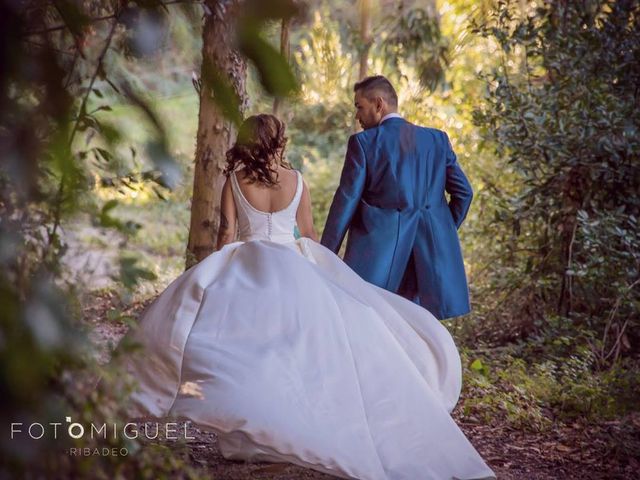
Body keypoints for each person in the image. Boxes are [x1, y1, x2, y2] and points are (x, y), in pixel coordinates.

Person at [123, 114, 494, 480]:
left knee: (242, 346)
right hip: (294, 264)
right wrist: (318, 270)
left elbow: (226, 235)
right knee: (296, 349)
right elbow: (309, 233)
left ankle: (249, 424)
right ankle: (281, 427)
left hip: (247, 265)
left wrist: (212, 268)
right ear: (279, 142)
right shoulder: (298, 181)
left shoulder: (234, 181)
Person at [321, 75, 474, 320]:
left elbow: (346, 201)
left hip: (379, 260)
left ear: (379, 104)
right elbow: (464, 193)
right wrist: (441, 229)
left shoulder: (363, 143)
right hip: (428, 259)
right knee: (420, 330)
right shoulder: (436, 140)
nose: (357, 116)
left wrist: (325, 254)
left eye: (359, 107)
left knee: (376, 328)